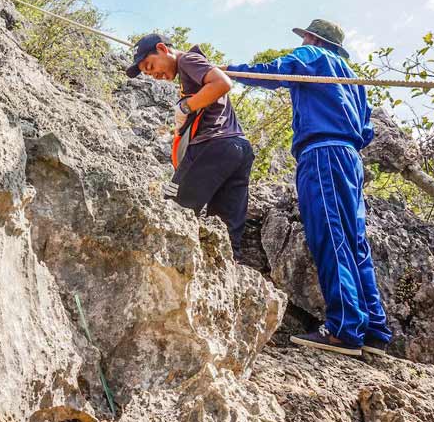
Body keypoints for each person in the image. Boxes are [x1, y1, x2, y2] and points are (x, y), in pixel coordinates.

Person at [226, 19, 392, 357]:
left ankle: (344, 329)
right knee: (354, 240)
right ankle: (374, 330)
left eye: (304, 35)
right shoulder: (352, 78)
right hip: (349, 158)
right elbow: (367, 130)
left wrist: (226, 71)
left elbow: (273, 72)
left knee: (329, 235)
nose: (301, 39)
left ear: (314, 38)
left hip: (322, 154)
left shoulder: (313, 56)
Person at [125, 34, 254, 257]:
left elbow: (223, 83)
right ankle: (231, 274)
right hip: (238, 149)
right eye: (148, 73)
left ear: (162, 48)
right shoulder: (191, 73)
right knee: (225, 230)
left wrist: (186, 108)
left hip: (213, 145)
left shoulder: (187, 61)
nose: (154, 74)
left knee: (171, 209)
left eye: (150, 65)